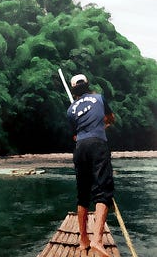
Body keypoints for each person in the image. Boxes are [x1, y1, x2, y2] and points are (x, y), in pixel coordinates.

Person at [67, 74, 115, 257]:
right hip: (97, 145)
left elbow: (75, 136)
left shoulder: (70, 110)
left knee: (83, 195)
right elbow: (111, 118)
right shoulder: (99, 98)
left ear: (73, 91)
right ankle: (97, 240)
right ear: (88, 85)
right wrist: (104, 125)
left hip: (80, 148)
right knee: (103, 191)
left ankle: (83, 240)